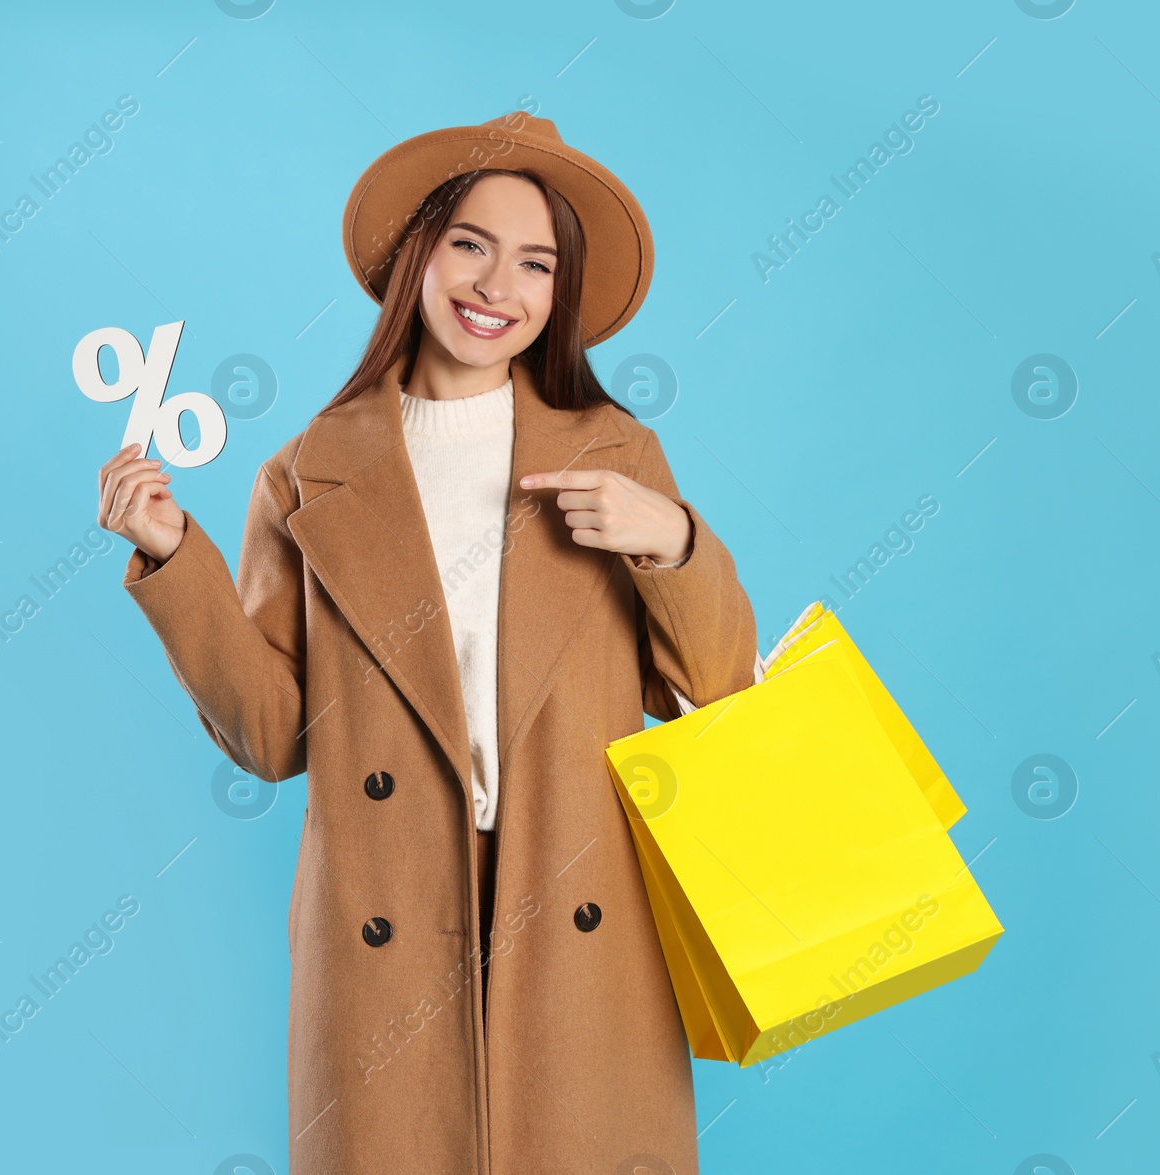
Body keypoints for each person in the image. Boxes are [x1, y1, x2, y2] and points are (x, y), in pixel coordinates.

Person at [98, 112, 757, 1174]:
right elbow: (272, 734)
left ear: (561, 293)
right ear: (417, 254)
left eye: (536, 262)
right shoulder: (307, 471)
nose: (499, 285)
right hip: (388, 919)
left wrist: (672, 539)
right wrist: (177, 559)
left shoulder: (615, 452)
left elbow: (717, 685)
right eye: (470, 244)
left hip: (577, 905)